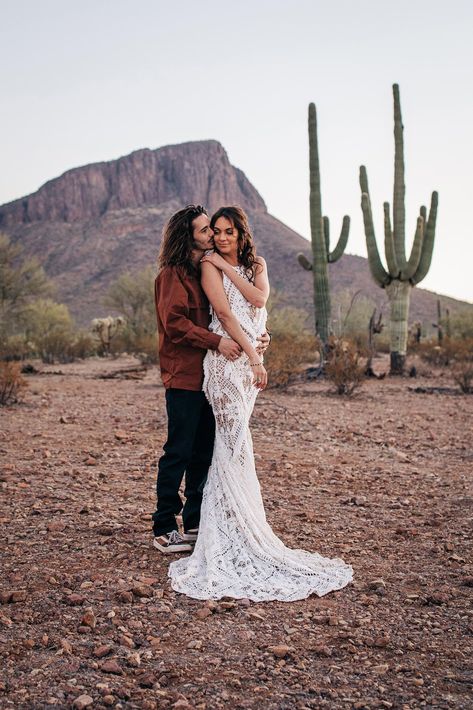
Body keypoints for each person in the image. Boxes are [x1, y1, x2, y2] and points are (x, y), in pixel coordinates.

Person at [168, 206, 354, 602]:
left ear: (240, 233)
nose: (220, 238)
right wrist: (254, 355)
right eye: (215, 232)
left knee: (233, 444)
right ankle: (226, 529)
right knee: (233, 445)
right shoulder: (207, 268)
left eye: (227, 232)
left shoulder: (255, 264)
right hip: (227, 363)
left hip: (250, 359)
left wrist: (259, 337)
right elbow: (223, 313)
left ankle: (228, 523)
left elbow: (258, 297)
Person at [152, 204, 268, 553]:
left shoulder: (202, 270)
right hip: (183, 375)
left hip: (209, 374)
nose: (212, 236)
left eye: (215, 230)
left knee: (203, 451)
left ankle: (195, 521)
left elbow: (236, 311)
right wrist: (218, 342)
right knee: (179, 450)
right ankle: (163, 526)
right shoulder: (172, 275)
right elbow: (175, 323)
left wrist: (260, 337)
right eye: (206, 230)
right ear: (188, 235)